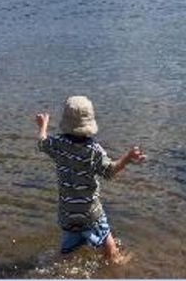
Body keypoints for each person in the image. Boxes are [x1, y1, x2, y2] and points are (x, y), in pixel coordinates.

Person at [35, 96, 145, 264]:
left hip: (67, 213)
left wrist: (43, 126)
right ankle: (116, 264)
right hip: (90, 213)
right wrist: (127, 158)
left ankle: (54, 268)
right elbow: (109, 172)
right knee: (110, 247)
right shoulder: (94, 151)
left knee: (66, 254)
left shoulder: (57, 144)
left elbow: (42, 143)